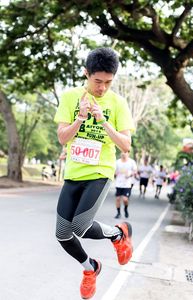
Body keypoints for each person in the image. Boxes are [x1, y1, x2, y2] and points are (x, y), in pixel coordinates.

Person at [54, 47, 134, 299]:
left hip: (100, 171)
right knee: (62, 234)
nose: (102, 88)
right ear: (86, 74)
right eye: (97, 81)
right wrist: (80, 118)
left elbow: (125, 145)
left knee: (80, 225)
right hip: (74, 172)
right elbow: (62, 138)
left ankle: (119, 234)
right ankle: (91, 268)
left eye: (108, 83)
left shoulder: (118, 103)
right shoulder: (70, 96)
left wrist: (103, 121)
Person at [115, 151, 137, 219]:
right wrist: (115, 173)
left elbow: (135, 171)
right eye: (122, 152)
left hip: (127, 184)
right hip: (118, 183)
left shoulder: (131, 162)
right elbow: (114, 171)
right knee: (118, 199)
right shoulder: (117, 162)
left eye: (125, 152)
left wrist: (130, 175)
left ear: (128, 154)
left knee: (125, 199)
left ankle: (125, 209)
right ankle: (118, 213)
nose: (123, 154)